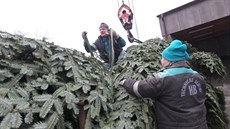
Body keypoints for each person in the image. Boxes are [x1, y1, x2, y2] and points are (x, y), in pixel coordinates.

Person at [119, 40, 208, 129]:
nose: (161, 60)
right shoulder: (198, 77)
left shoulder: (161, 78)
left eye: (163, 57)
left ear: (170, 60)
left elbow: (139, 89)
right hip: (201, 125)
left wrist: (126, 82)